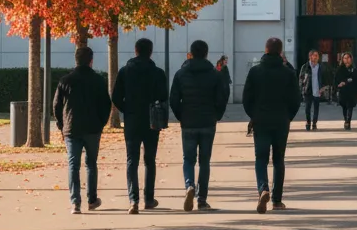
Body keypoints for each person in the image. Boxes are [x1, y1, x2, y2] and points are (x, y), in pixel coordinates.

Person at [242, 36, 302, 213]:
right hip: (281, 121)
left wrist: (253, 115)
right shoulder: (288, 73)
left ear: (266, 50)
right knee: (278, 160)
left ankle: (263, 188)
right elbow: (296, 99)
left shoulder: (255, 72)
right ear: (280, 52)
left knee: (260, 158)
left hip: (261, 121)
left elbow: (247, 98)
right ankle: (277, 199)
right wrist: (288, 117)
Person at [112, 37, 169, 213]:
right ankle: (149, 199)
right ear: (150, 52)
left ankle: (133, 200)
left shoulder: (125, 71)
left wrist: (127, 110)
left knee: (132, 160)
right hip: (152, 120)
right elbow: (164, 96)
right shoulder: (158, 73)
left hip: (132, 120)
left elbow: (115, 97)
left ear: (136, 51)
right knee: (149, 160)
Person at [53, 46, 112, 214]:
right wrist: (101, 123)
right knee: (91, 164)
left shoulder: (65, 80)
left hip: (71, 128)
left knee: (73, 164)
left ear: (76, 60)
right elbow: (106, 105)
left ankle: (75, 202)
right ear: (91, 61)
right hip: (93, 128)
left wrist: (61, 125)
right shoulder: (98, 80)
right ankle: (92, 199)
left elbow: (56, 105)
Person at [169, 39, 227, 211]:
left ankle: (189, 185)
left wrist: (181, 116)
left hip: (188, 121)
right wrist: (217, 115)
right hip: (208, 122)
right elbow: (222, 98)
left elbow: (174, 99)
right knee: (204, 161)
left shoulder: (181, 74)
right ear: (206, 53)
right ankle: (202, 199)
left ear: (191, 53)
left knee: (188, 159)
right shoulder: (215, 74)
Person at [334, 52, 357, 129]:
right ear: (342, 59)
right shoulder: (339, 69)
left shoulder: (355, 69)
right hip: (343, 92)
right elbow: (336, 80)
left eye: (348, 58)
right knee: (344, 107)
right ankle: (346, 119)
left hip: (352, 91)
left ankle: (348, 121)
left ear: (351, 59)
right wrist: (338, 85)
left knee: (350, 107)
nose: (347, 60)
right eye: (345, 58)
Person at [298, 49, 325, 131]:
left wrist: (323, 87)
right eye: (315, 55)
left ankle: (314, 123)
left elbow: (324, 78)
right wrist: (301, 89)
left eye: (317, 56)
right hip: (308, 90)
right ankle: (308, 122)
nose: (316, 57)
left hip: (317, 90)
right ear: (310, 57)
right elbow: (301, 79)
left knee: (316, 108)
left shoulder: (320, 67)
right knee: (307, 108)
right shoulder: (305, 67)